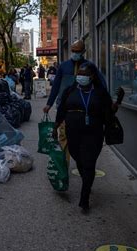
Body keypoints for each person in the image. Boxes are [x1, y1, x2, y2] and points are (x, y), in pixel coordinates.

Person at [54, 62, 116, 212]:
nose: (81, 77)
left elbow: (108, 114)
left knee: (89, 163)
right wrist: (54, 127)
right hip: (73, 133)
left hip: (93, 134)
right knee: (78, 160)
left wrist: (114, 110)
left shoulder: (101, 93)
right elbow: (61, 110)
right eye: (79, 75)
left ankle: (84, 198)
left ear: (92, 76)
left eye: (85, 75)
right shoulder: (70, 91)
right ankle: (86, 180)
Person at [43, 40, 107, 164]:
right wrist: (49, 104)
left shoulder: (90, 67)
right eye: (73, 51)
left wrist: (105, 103)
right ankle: (63, 167)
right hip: (66, 109)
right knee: (64, 137)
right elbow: (56, 86)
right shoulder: (64, 66)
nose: (75, 53)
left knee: (82, 139)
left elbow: (101, 85)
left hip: (85, 110)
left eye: (78, 51)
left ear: (83, 52)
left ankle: (83, 163)